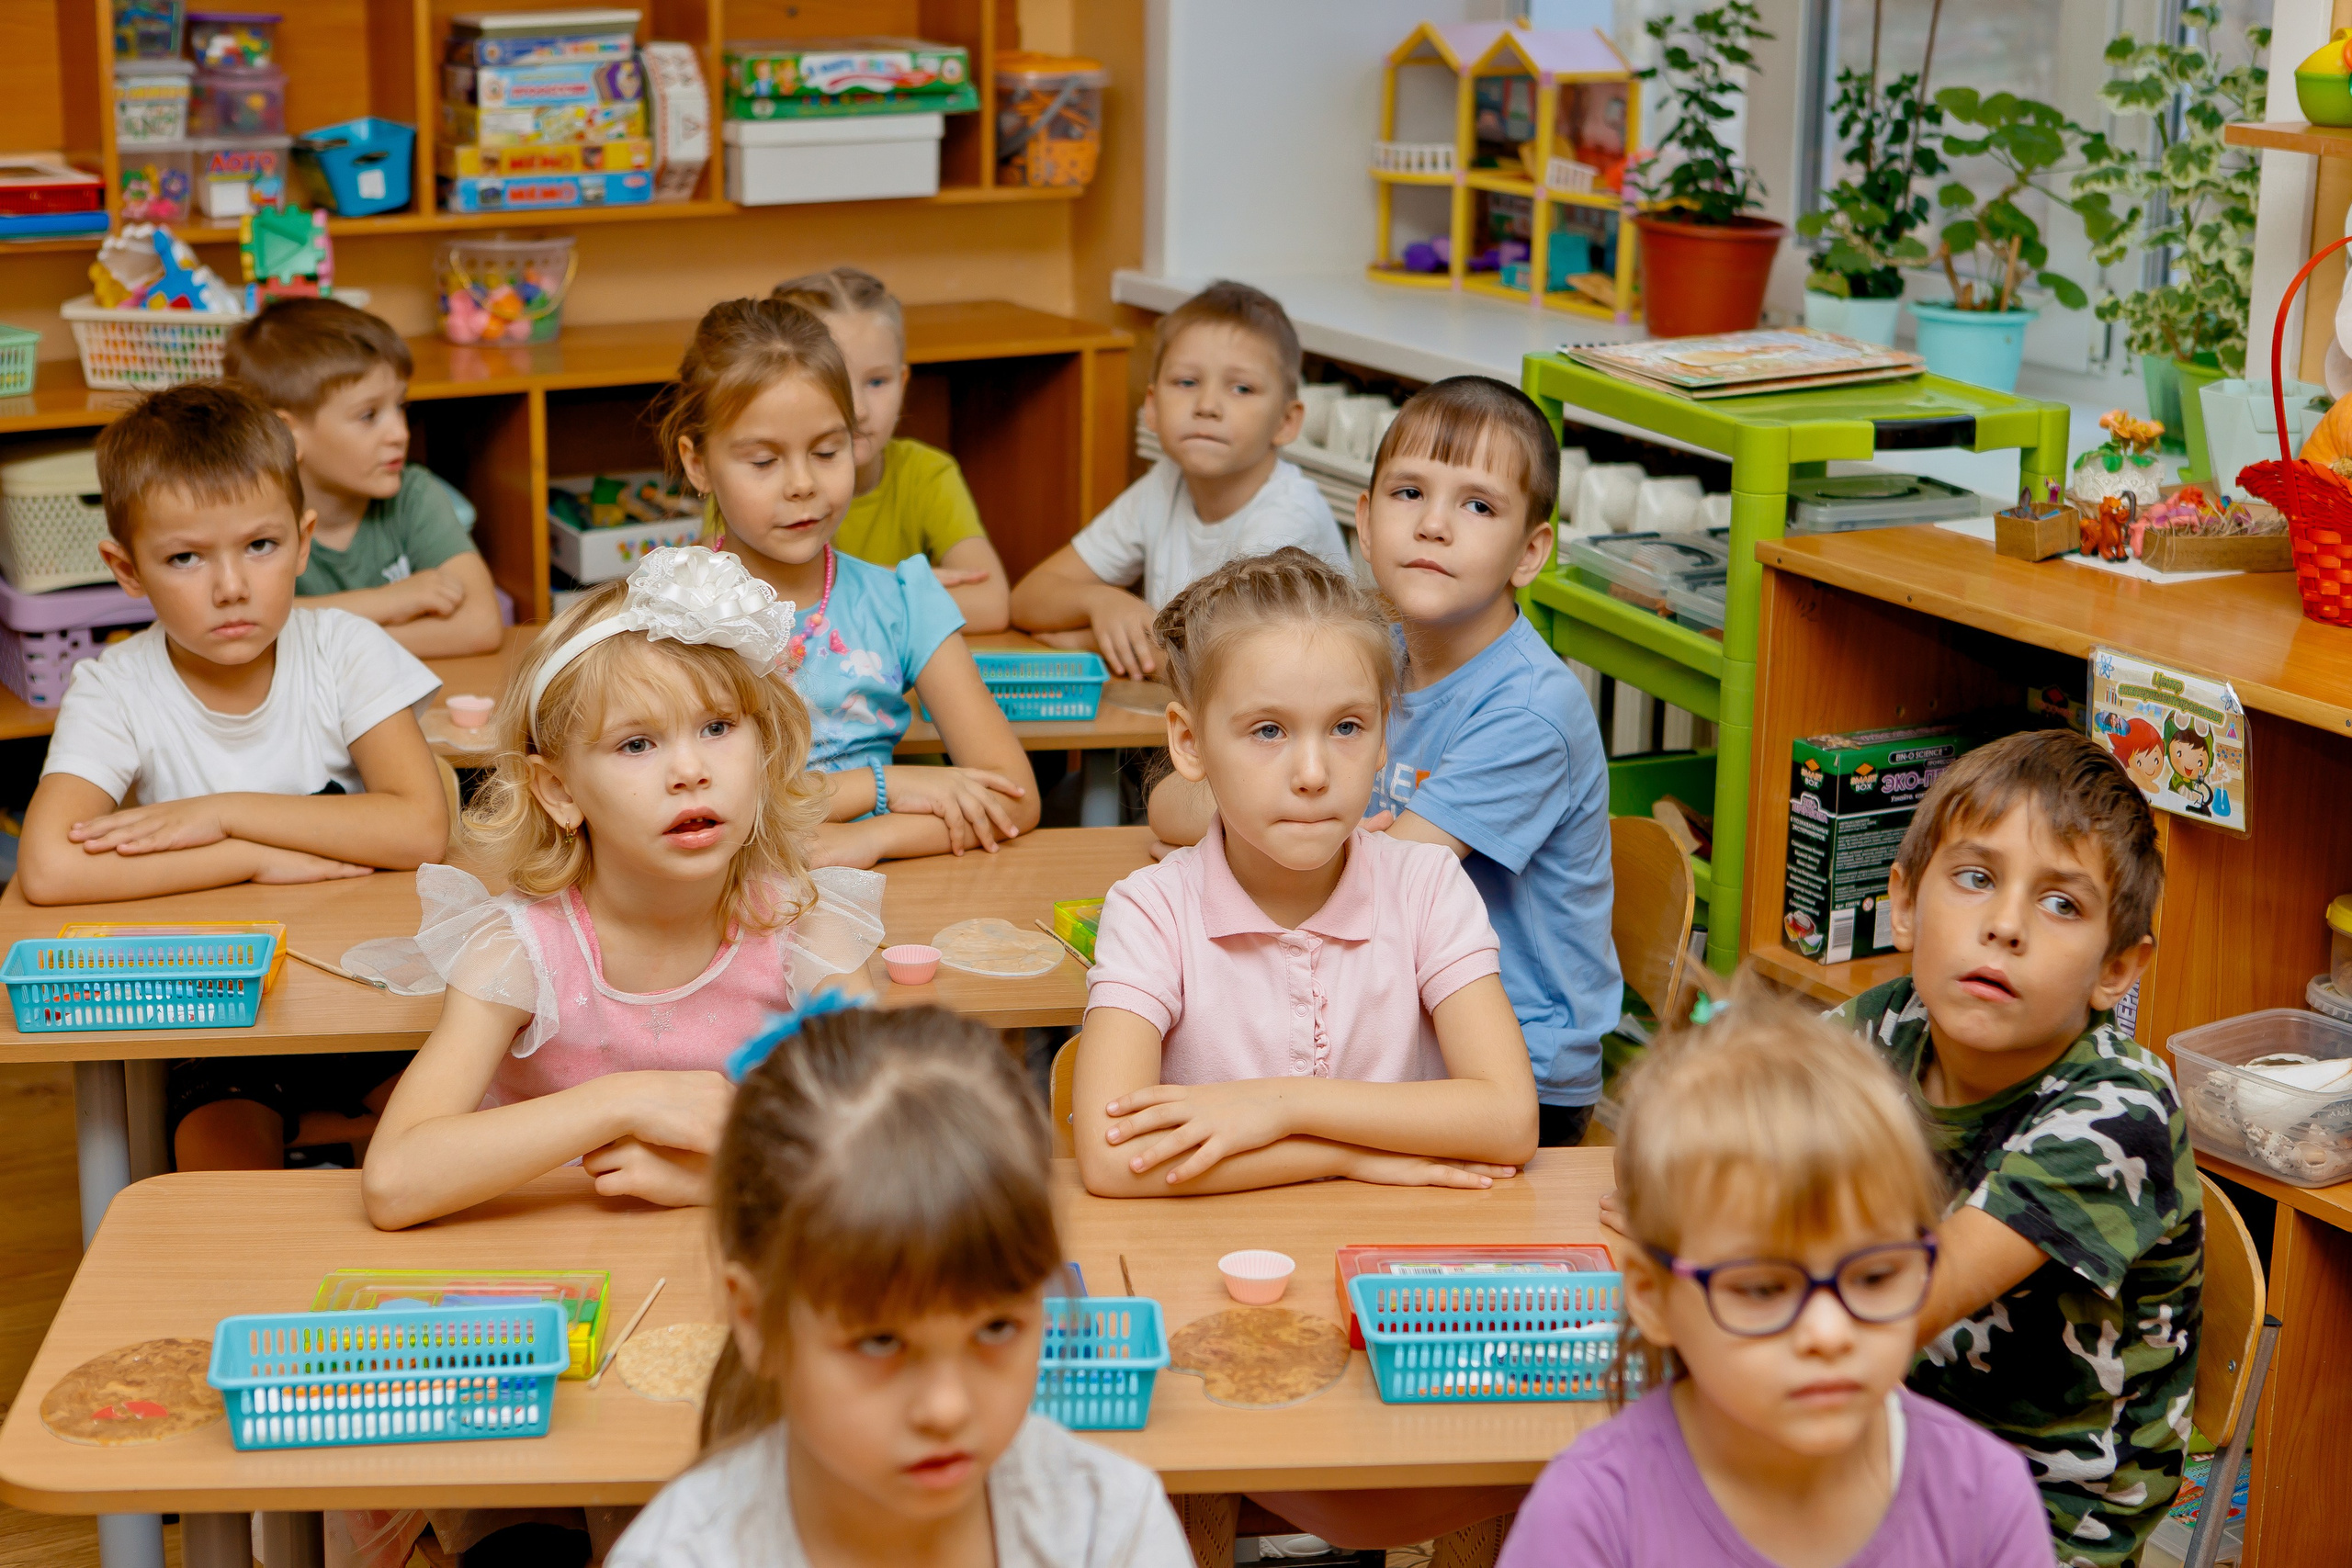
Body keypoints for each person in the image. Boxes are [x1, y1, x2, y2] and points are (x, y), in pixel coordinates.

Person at [359, 547, 886, 1233]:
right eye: (637, 744)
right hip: (544, 1274)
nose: (690, 770)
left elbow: (912, 1142)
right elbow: (394, 1181)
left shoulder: (802, 930)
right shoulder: (519, 951)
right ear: (559, 790)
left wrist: (732, 1175)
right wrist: (627, 1101)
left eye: (718, 727)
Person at [1149, 377, 1620, 1145]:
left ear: (1531, 552)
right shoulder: (1375, 659)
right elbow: (1172, 804)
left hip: (1505, 1074)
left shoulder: (1531, 708)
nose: (1434, 525)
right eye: (1409, 492)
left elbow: (1350, 877)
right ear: (1364, 523)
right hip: (1386, 1031)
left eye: (1478, 505)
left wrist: (1252, 802)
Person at [17, 383, 448, 1170]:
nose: (231, 587)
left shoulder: (344, 649)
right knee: (219, 1168)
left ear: (304, 539)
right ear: (126, 567)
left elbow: (420, 825)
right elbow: (47, 867)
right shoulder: (113, 687)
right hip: (216, 1019)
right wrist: (251, 858)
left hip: (370, 1000)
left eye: (260, 546)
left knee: (453, 1140)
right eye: (185, 557)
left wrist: (223, 813)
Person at [608, 1001, 1192, 1568]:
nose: (946, 1409)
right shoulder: (676, 1554)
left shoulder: (1109, 1529)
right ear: (757, 1320)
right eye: (881, 1342)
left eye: (996, 1328)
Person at [1500, 984, 2053, 1568]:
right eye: (1763, 1288)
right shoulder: (1589, 1516)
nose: (1829, 1334)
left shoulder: (1986, 1496)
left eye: (1873, 1278)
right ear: (1651, 1295)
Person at [1838, 728, 2199, 1568]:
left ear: (2117, 968)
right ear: (1904, 902)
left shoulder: (2122, 1110)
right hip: (1876, 1452)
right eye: (1975, 878)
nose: (2003, 926)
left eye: (2061, 903)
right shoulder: (1885, 1024)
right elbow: (1701, 1152)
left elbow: (1904, 1298)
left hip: (2040, 1526)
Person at [1074, 546, 1538, 1199]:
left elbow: (1511, 1119)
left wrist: (1283, 1105)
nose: (1314, 775)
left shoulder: (1426, 885)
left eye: (1348, 726)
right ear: (1188, 741)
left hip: (1393, 1259)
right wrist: (1345, 1158)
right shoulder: (1151, 909)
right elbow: (1110, 1158)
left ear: (1384, 737)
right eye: (1268, 731)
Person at [660, 296, 1039, 865]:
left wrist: (872, 839)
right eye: (764, 462)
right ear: (697, 464)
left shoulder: (904, 602)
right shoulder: (671, 614)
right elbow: (701, 812)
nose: (802, 484)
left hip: (883, 891)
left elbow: (1015, 798)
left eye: (828, 451)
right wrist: (883, 788)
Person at [1009, 280, 1348, 677]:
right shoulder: (1164, 483)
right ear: (1151, 407)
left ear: (1286, 422)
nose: (1207, 406)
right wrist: (1100, 603)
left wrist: (1090, 641)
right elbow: (1028, 598)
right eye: (1187, 382)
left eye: (1241, 388)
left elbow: (1218, 672)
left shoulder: (1288, 516)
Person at [223, 297, 503, 657]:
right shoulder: (248, 521)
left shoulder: (414, 495)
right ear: (287, 435)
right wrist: (386, 603)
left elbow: (481, 625)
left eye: (400, 406)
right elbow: (243, 629)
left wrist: (320, 641)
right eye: (368, 415)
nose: (400, 433)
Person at [774, 266, 1010, 631]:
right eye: (833, 381)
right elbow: (730, 598)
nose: (859, 410)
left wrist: (820, 588)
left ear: (902, 382)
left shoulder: (927, 473)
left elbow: (990, 603)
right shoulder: (756, 479)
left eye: (877, 381)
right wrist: (889, 582)